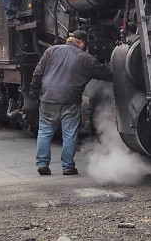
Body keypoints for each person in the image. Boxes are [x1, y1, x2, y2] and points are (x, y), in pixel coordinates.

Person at [28, 30, 112, 176]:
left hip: (48, 97)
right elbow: (105, 73)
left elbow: (37, 73)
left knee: (45, 131)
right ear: (81, 42)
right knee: (70, 133)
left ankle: (42, 164)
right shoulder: (85, 57)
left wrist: (34, 92)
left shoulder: (51, 51)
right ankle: (67, 167)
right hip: (70, 100)